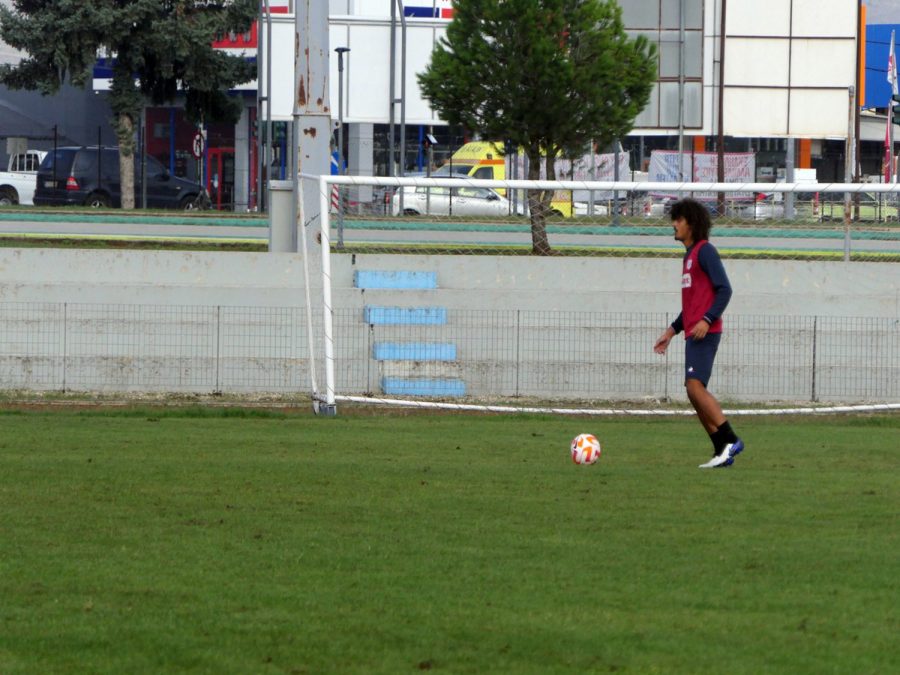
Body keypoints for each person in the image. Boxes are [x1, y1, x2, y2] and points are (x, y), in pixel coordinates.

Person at [653, 198, 744, 468]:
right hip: (693, 334)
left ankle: (731, 440)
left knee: (694, 386)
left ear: (691, 224)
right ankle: (721, 449)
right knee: (693, 390)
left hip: (706, 332)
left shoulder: (705, 251)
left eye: (679, 220)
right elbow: (692, 306)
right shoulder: (689, 257)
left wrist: (707, 320)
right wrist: (671, 332)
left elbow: (725, 290)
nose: (674, 224)